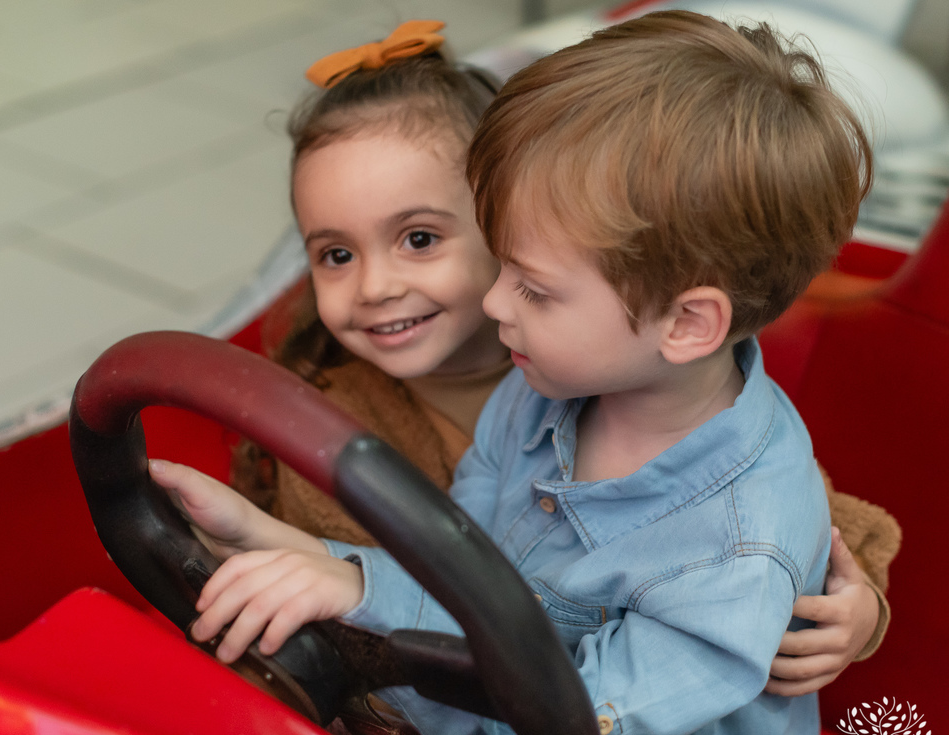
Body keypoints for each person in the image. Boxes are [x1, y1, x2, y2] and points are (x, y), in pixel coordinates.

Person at [218, 20, 895, 696]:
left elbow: (799, 521)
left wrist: (855, 612)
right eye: (336, 254)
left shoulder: (629, 379)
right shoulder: (333, 429)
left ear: (512, 225)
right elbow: (380, 638)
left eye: (419, 239)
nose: (373, 286)